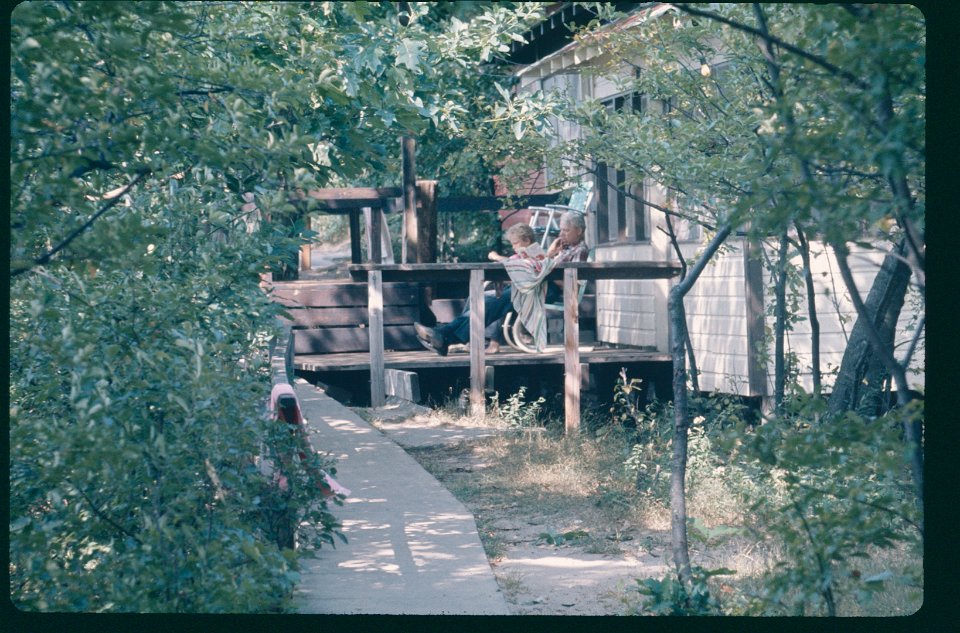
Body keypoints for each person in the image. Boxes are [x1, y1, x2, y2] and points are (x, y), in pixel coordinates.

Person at [414, 211, 589, 356]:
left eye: (566, 231)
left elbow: (569, 283)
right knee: (486, 301)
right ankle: (443, 337)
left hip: (547, 289)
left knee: (493, 302)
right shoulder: (564, 248)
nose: (561, 234)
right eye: (561, 230)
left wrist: (548, 258)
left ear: (579, 231)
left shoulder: (580, 250)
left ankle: (444, 337)